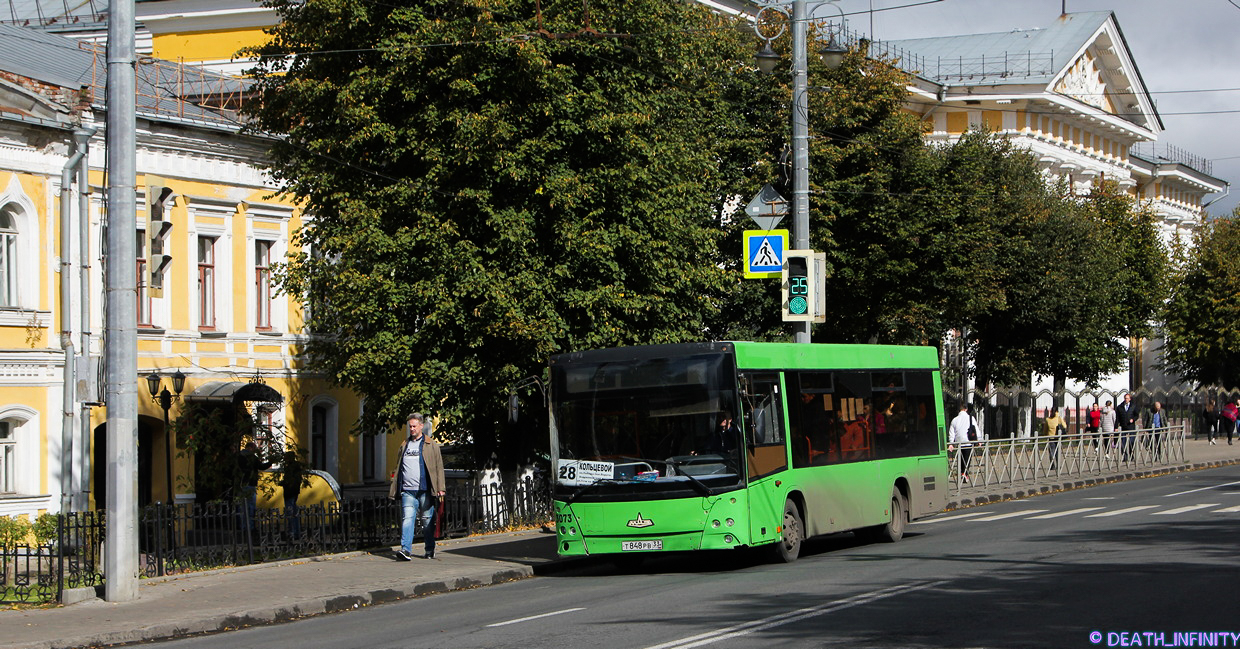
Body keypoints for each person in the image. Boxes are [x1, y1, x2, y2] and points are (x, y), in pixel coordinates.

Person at [388, 412, 446, 560]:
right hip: (408, 490)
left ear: (421, 426)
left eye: (414, 426)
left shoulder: (430, 445)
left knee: (427, 521)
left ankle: (429, 549)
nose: (412, 429)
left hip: (425, 490)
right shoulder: (405, 444)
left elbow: (439, 467)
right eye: (410, 426)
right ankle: (405, 550)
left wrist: (441, 488)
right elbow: (399, 465)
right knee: (407, 519)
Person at [238, 441, 272, 534]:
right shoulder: (251, 457)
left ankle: (242, 526)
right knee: (250, 507)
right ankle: (250, 527)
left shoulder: (239, 456)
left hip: (241, 484)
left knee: (241, 507)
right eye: (253, 449)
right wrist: (271, 462)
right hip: (250, 484)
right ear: (250, 448)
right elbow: (261, 466)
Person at [279, 448, 307, 541]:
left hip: (290, 492)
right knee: (294, 513)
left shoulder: (291, 468)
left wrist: (283, 483)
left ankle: (292, 532)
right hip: (294, 492)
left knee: (290, 512)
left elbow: (290, 481)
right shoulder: (296, 467)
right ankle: (296, 532)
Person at [947, 403, 976, 484]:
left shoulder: (954, 420)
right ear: (966, 409)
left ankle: (961, 473)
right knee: (967, 458)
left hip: (959, 442)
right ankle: (965, 474)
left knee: (960, 458)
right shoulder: (971, 418)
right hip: (968, 441)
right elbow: (976, 429)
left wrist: (951, 443)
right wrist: (980, 440)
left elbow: (951, 433)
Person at [1115, 394, 1139, 462]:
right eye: (1125, 398)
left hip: (1131, 427)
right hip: (1123, 427)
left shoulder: (1133, 406)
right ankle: (1125, 456)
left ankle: (1131, 455)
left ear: (1130, 399)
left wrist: (1133, 419)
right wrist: (1116, 427)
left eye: (1127, 398)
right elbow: (1117, 418)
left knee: (1131, 442)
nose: (1126, 400)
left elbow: (1136, 415)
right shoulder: (1120, 407)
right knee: (1123, 442)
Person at [1041, 406, 1064, 471]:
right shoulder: (1058, 418)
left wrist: (1045, 435)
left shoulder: (1048, 419)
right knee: (1057, 451)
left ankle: (1052, 465)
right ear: (1057, 412)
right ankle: (1058, 465)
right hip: (1057, 437)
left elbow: (1045, 429)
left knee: (1051, 451)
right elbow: (1064, 425)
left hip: (1050, 437)